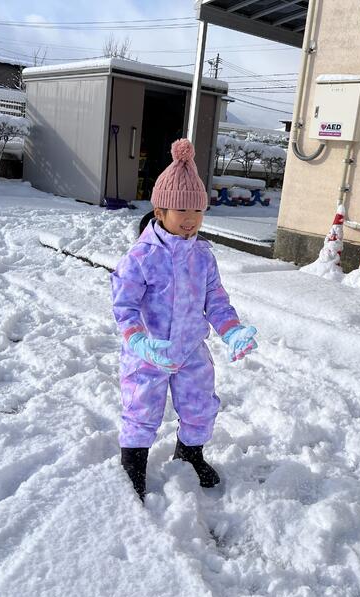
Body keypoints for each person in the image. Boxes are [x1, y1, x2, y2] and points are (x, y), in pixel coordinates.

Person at [111, 138, 258, 502]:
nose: (191, 218)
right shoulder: (141, 257)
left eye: (198, 210)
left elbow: (216, 301)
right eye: (181, 210)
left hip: (192, 349)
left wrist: (232, 331)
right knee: (141, 408)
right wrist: (139, 340)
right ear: (160, 211)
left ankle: (190, 455)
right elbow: (124, 306)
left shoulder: (202, 256)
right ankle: (133, 465)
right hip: (149, 351)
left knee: (200, 405)